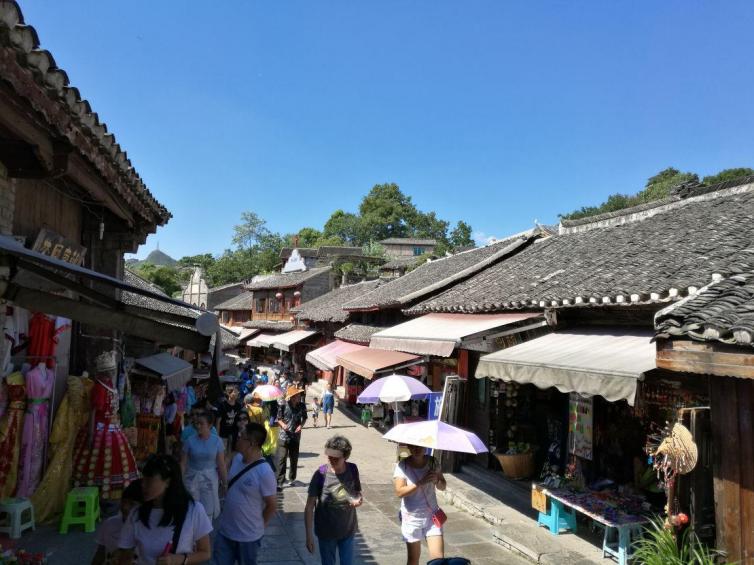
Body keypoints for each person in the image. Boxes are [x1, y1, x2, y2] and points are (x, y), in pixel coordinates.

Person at [118, 454, 212, 565]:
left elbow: (205, 552)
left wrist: (179, 559)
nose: (143, 485)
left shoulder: (193, 510)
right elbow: (125, 553)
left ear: (168, 482)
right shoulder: (136, 514)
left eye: (149, 480)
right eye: (143, 478)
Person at [213, 423, 277, 565]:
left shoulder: (265, 472)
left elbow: (272, 505)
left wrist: (260, 526)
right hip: (225, 532)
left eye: (242, 436)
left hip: (248, 538)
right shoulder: (237, 459)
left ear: (251, 443)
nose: (238, 437)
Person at [305, 436, 363, 565]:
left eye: (336, 458)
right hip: (326, 531)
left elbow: (357, 493)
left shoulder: (353, 469)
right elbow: (309, 506)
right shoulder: (321, 473)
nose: (332, 460)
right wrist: (309, 536)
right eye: (329, 457)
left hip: (348, 529)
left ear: (345, 457)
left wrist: (358, 500)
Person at [393, 444, 447, 565]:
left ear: (425, 447)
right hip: (412, 518)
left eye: (420, 447)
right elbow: (399, 492)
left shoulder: (433, 462)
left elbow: (443, 486)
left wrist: (437, 480)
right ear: (409, 447)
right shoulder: (403, 465)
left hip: (432, 517)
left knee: (438, 560)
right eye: (413, 447)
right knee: (413, 559)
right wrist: (420, 482)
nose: (416, 449)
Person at [181, 411, 227, 520]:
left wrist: (225, 483)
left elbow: (221, 464)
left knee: (208, 510)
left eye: (201, 423)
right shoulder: (189, 441)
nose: (198, 426)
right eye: (197, 423)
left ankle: (206, 529)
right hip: (191, 478)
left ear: (210, 425)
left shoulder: (217, 441)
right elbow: (183, 463)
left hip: (209, 480)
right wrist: (180, 481)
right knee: (191, 509)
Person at [92, 479, 143, 564]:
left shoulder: (146, 532)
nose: (125, 507)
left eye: (132, 504)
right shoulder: (109, 523)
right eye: (123, 501)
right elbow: (100, 553)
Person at [275, 386, 307, 489]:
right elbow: (278, 419)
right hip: (284, 436)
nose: (299, 397)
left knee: (294, 459)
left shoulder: (302, 406)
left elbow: (305, 418)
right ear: (292, 397)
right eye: (297, 395)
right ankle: (280, 481)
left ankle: (292, 478)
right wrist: (283, 425)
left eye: (299, 395)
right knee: (282, 459)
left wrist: (300, 426)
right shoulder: (283, 405)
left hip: (295, 436)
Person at [216, 386, 242, 454]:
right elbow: (218, 421)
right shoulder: (222, 405)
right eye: (235, 392)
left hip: (234, 434)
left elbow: (239, 420)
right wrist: (217, 436)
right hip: (223, 434)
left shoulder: (239, 406)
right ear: (229, 393)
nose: (237, 393)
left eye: (237, 392)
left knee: (232, 453)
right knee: (222, 453)